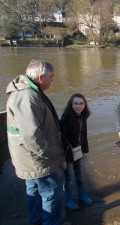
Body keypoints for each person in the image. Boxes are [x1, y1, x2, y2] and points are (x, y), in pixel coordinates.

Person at [6, 59, 65, 225]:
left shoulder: (29, 92)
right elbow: (31, 136)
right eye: (51, 77)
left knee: (33, 190)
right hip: (37, 160)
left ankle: (36, 221)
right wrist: (53, 154)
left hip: (28, 158)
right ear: (40, 77)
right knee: (51, 194)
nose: (52, 80)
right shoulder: (27, 97)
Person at [60, 93, 92, 210]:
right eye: (75, 103)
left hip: (78, 151)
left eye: (81, 103)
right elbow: (60, 141)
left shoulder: (82, 117)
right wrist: (62, 159)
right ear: (71, 104)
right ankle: (68, 200)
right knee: (68, 178)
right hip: (67, 153)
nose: (78, 106)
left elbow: (83, 135)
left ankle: (81, 195)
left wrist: (84, 150)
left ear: (85, 105)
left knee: (80, 175)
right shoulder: (65, 119)